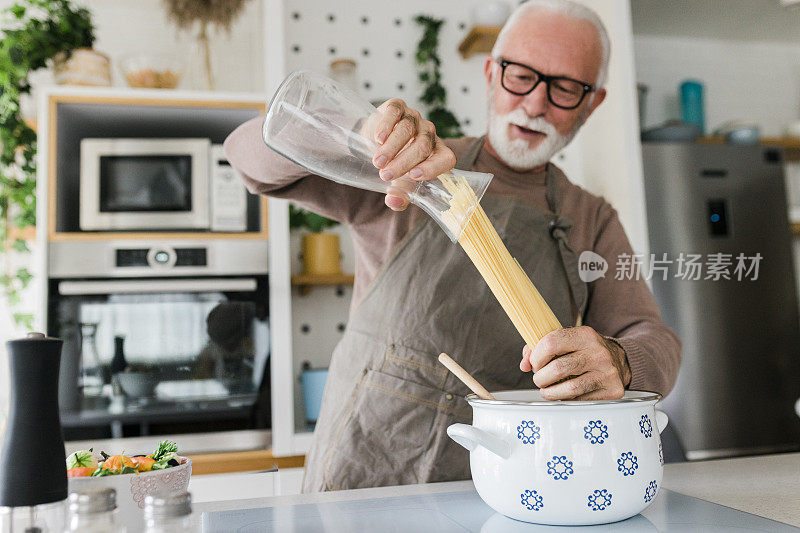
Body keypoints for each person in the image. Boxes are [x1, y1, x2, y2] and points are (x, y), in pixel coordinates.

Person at [223, 0, 681, 492]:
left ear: (593, 103)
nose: (534, 103)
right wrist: (361, 136)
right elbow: (247, 156)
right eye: (520, 75)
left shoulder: (591, 217)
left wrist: (620, 361)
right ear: (490, 72)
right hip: (360, 472)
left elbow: (655, 339)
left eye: (566, 88)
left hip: (500, 485)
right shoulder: (409, 166)